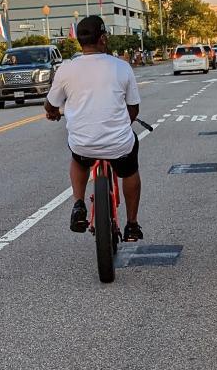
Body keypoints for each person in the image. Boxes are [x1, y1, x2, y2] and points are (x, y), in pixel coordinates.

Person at [44, 15, 144, 241]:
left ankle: (78, 204)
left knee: (78, 157)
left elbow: (51, 104)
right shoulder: (121, 67)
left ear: (79, 41)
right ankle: (132, 224)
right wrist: (117, 125)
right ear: (103, 39)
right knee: (130, 166)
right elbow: (133, 110)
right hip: (118, 144)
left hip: (83, 144)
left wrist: (52, 113)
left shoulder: (66, 69)